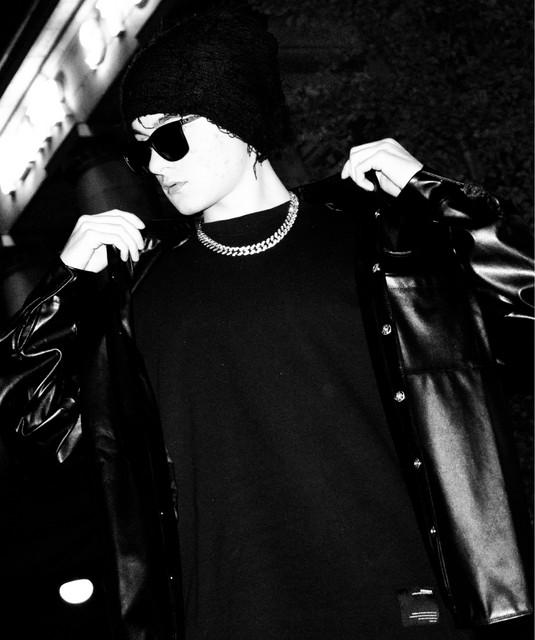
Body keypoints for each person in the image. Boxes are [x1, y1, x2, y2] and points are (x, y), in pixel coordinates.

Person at [0, 3, 533, 639]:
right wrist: (62, 286)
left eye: (170, 137)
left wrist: (435, 196)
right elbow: (35, 422)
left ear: (238, 121)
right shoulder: (135, 288)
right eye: (141, 149)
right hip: (230, 619)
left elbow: (524, 309)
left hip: (408, 612)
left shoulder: (378, 240)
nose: (156, 165)